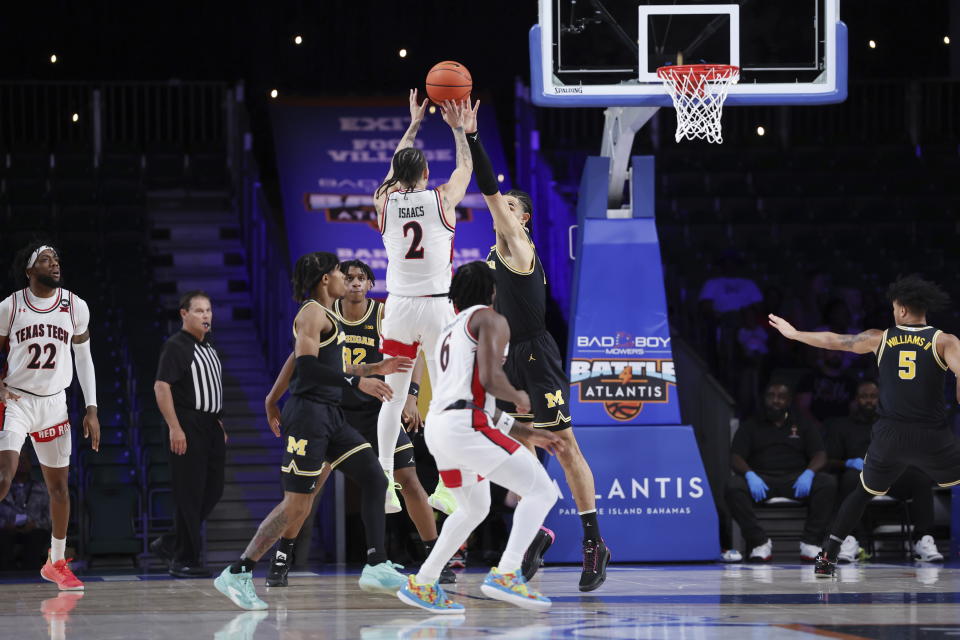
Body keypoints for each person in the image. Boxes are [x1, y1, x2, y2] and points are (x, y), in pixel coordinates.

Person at [460, 100, 609, 591]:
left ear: (520, 218)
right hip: (507, 361)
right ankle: (534, 534)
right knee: (519, 451)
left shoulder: (519, 247)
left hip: (533, 354)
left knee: (564, 446)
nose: (501, 210)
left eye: (509, 207)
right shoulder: (489, 256)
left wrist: (471, 136)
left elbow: (486, 189)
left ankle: (593, 542)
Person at [214, 252, 412, 611]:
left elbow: (328, 363)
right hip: (308, 417)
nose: (343, 278)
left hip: (331, 416)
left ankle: (376, 563)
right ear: (325, 279)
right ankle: (239, 570)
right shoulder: (311, 312)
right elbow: (305, 367)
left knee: (373, 477)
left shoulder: (328, 316)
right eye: (338, 272)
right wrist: (357, 381)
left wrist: (374, 367)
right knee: (296, 506)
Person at [262, 259, 455, 586]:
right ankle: (282, 557)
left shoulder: (382, 314)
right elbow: (297, 359)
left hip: (378, 413)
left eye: (360, 278)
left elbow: (414, 352)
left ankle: (434, 556)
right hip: (334, 413)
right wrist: (272, 397)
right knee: (307, 491)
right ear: (333, 281)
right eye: (347, 276)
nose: (352, 283)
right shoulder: (322, 312)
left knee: (409, 480)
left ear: (369, 284)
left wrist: (411, 396)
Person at [397, 261, 564, 614]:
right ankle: (506, 574)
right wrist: (518, 395)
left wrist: (527, 432)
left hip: (442, 428)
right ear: (493, 290)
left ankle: (423, 582)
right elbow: (490, 381)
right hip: (465, 425)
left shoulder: (449, 329)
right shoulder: (490, 319)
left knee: (475, 507)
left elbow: (475, 395)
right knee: (542, 490)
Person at [768, 274, 960, 577]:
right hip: (931, 435)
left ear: (902, 310)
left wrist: (795, 334)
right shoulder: (944, 340)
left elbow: (834, 340)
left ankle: (828, 557)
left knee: (861, 492)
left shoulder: (879, 338)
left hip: (890, 436)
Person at [372, 90, 472, 514]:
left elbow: (397, 169)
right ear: (428, 172)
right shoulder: (442, 198)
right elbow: (465, 167)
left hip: (398, 308)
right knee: (447, 394)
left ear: (396, 176)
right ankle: (448, 486)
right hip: (436, 308)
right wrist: (457, 130)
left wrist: (412, 125)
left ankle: (384, 486)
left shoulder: (385, 202)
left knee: (392, 400)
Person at [0, 242, 99, 590]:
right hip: (17, 401)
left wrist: (91, 407)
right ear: (30, 270)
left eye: (56, 259)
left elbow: (84, 358)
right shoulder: (10, 307)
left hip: (54, 403)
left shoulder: (75, 306)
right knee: (4, 476)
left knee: (59, 489)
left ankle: (55, 562)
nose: (54, 264)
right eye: (45, 260)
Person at [824, 380, 943, 563]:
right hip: (860, 477)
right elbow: (829, 460)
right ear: (856, 400)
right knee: (848, 479)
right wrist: (847, 462)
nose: (869, 401)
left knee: (920, 479)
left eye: (873, 397)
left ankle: (922, 540)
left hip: (889, 474)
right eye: (864, 397)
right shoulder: (841, 426)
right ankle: (850, 540)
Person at [152, 291, 227, 577]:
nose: (206, 315)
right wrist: (174, 427)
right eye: (199, 311)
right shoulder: (176, 346)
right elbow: (161, 386)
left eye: (208, 310)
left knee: (214, 489)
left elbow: (212, 387)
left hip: (210, 425)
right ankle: (185, 559)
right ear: (184, 314)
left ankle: (171, 541)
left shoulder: (209, 346)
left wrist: (219, 422)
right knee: (190, 493)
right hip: (187, 423)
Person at [725, 381, 836, 562]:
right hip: (761, 480)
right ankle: (759, 543)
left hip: (796, 480)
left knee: (827, 483)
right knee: (733, 486)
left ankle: (810, 543)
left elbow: (820, 455)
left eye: (781, 397)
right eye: (771, 396)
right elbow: (735, 457)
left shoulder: (803, 424)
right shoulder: (751, 425)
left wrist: (808, 473)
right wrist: (749, 475)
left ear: (789, 400)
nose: (775, 401)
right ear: (764, 399)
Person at [0, 454, 51, 570]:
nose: (21, 463)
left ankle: (31, 577)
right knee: (3, 540)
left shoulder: (42, 488)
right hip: (7, 528)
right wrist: (4, 524)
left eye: (25, 460)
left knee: (34, 539)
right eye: (18, 460)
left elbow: (49, 518)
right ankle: (7, 578)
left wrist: (35, 524)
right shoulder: (2, 487)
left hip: (34, 528)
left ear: (30, 464)